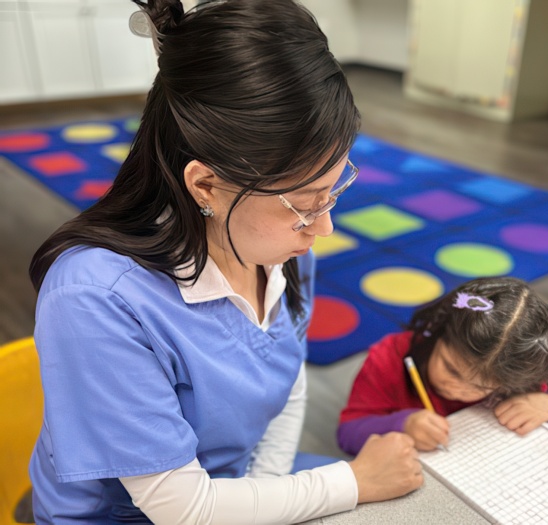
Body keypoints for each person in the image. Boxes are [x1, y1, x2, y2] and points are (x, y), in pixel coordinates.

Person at [27, 0, 422, 523]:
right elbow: (183, 508)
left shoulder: (281, 248)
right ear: (206, 185)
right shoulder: (96, 297)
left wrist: (268, 488)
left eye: (333, 193)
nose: (324, 228)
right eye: (304, 204)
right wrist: (352, 481)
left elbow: (288, 387)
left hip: (238, 489)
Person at [337, 277, 548, 455]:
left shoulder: (516, 376)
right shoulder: (389, 358)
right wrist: (402, 425)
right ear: (437, 331)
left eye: (480, 386)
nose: (458, 389)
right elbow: (347, 435)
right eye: (451, 369)